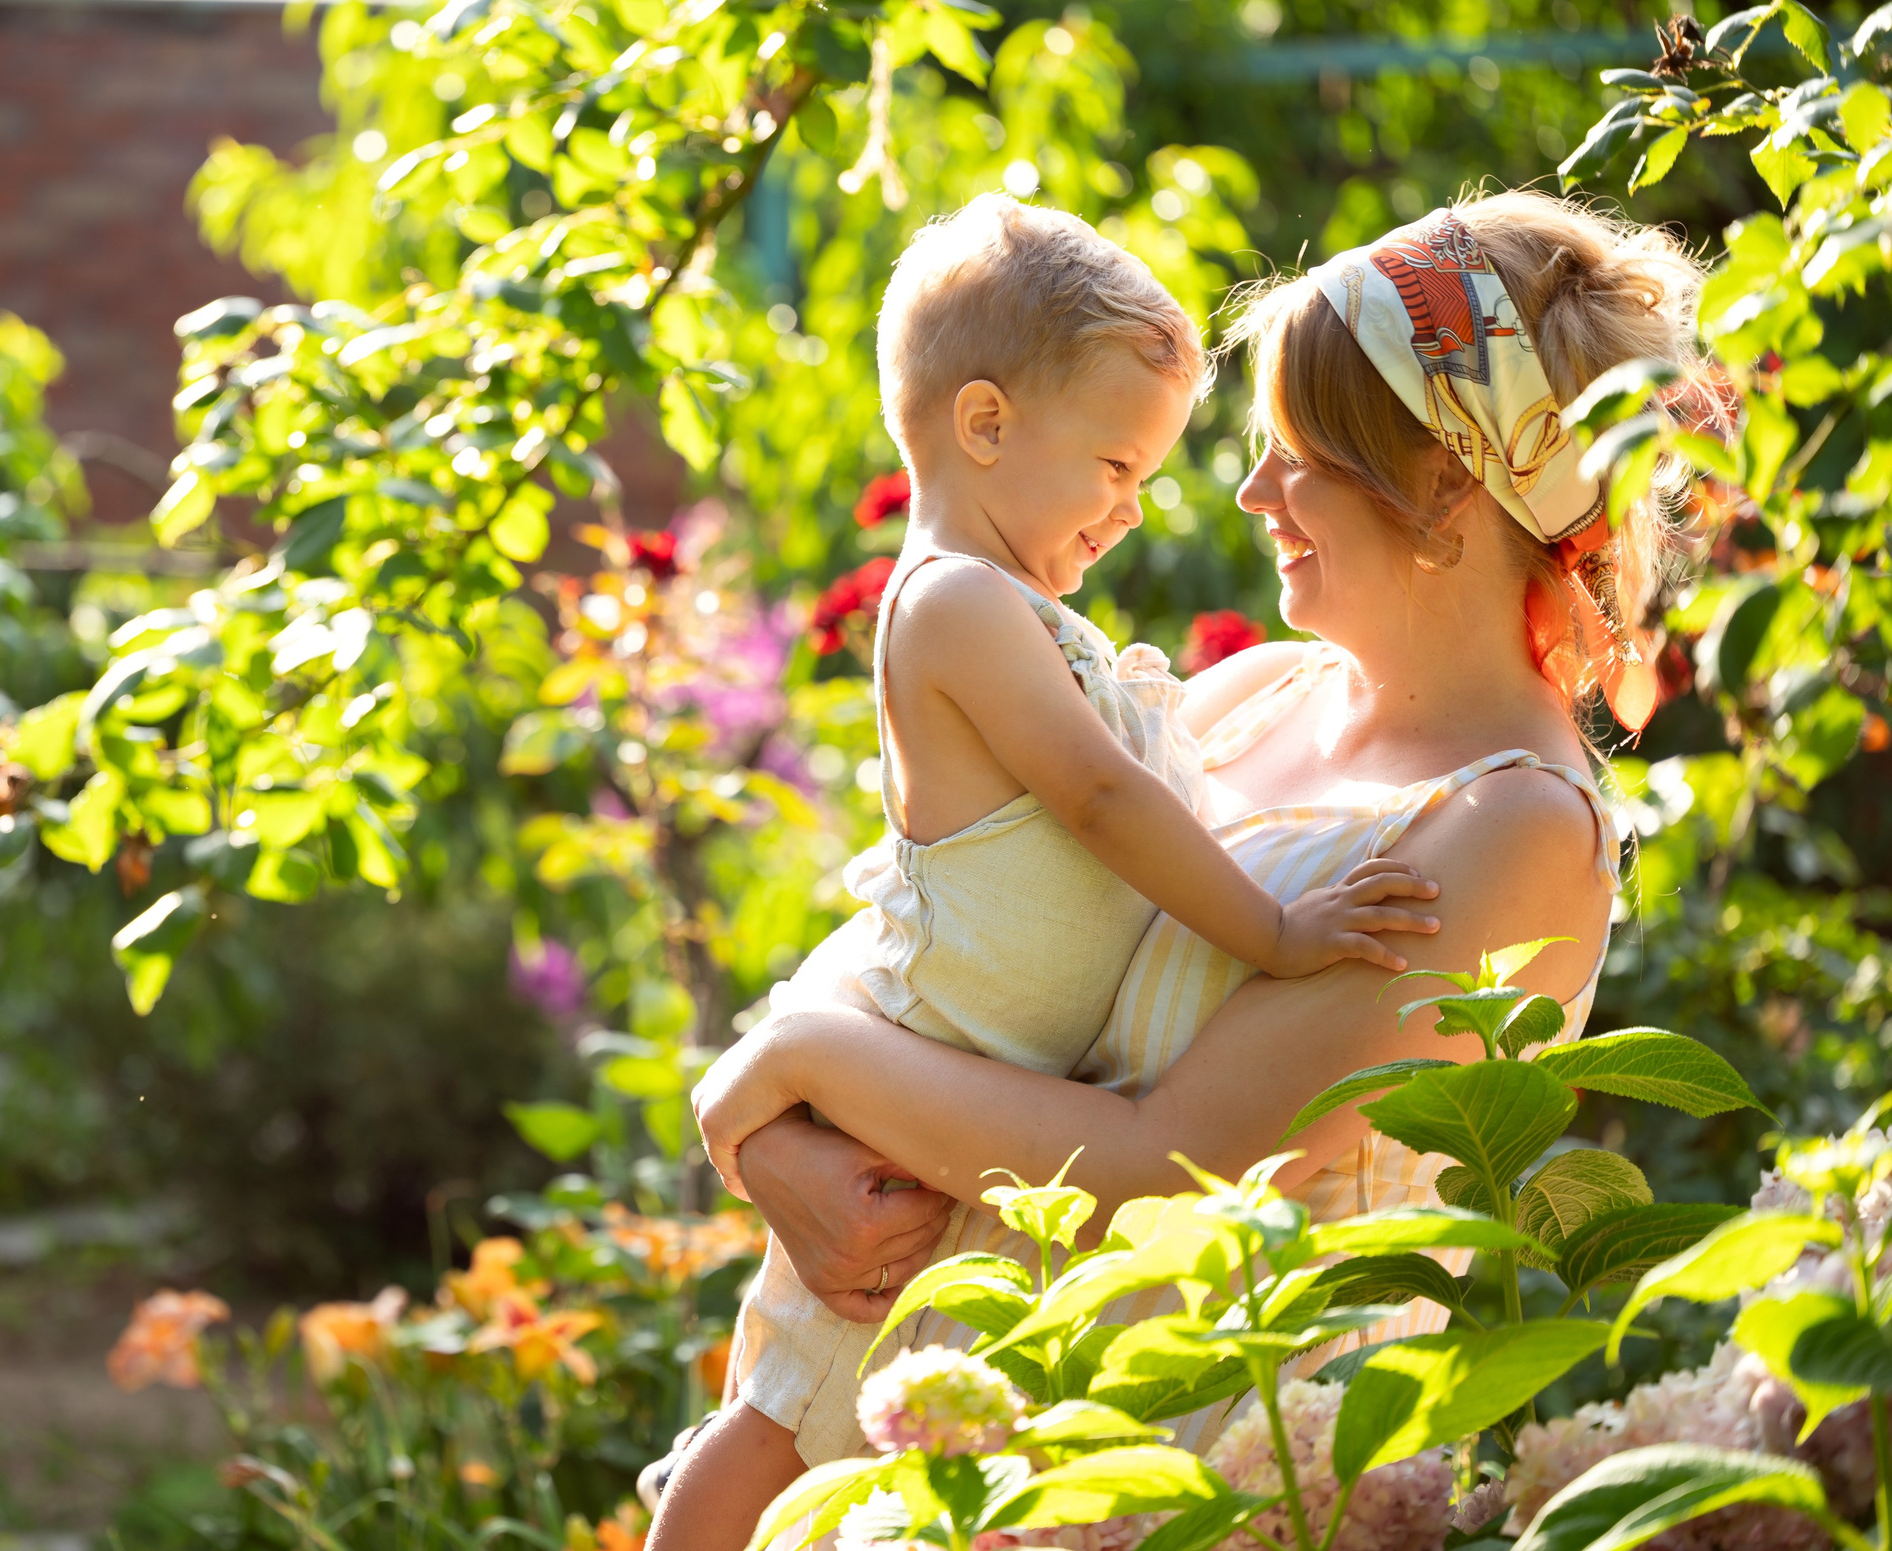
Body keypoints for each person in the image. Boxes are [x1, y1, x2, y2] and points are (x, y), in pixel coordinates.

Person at [668, 192, 1706, 1529]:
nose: (1250, 490)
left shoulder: (1513, 828)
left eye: (1297, 456)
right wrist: (773, 1131)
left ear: (1445, 484)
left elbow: (1167, 1176)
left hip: (1200, 1481)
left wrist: (793, 1070)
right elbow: (947, 922)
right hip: (967, 1411)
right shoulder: (1252, 699)